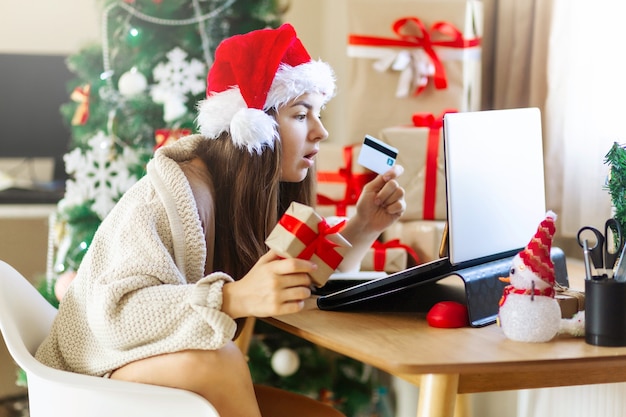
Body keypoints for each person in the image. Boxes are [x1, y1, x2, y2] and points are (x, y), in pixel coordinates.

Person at [36, 23, 405, 417]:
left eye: (318, 113)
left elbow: (307, 283)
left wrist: (364, 226)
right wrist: (232, 297)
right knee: (219, 361)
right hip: (91, 380)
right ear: (254, 126)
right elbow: (118, 315)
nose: (321, 131)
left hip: (147, 372)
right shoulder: (169, 198)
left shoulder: (251, 194)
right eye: (301, 115)